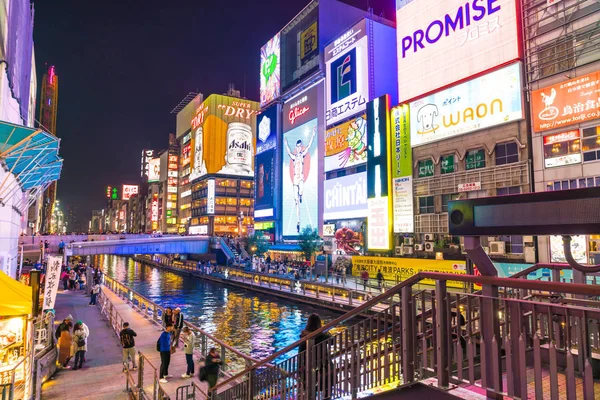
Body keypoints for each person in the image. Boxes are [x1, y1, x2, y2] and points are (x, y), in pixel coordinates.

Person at [284, 126, 317, 233]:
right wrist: (285, 144)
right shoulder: (294, 157)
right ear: (296, 147)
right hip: (295, 180)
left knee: (301, 192)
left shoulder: (302, 155)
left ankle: (301, 195)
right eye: (297, 147)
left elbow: (309, 146)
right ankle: (298, 222)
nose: (298, 148)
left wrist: (313, 134)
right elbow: (289, 152)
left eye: (299, 147)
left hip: (301, 178)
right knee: (296, 201)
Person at [298, 314, 333, 399]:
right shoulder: (324, 336)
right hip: (325, 364)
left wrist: (300, 371)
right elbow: (332, 341)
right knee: (327, 387)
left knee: (311, 389)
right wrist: (325, 331)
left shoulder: (305, 337)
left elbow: (300, 354)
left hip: (310, 367)